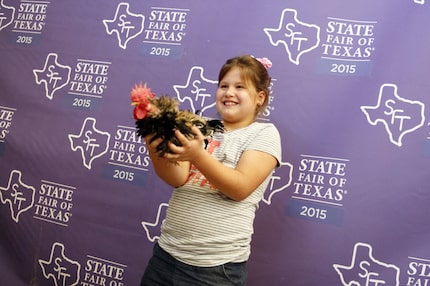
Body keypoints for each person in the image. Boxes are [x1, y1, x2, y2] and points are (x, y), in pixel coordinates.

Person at [140, 55, 282, 286]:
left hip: (216, 269)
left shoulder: (264, 134)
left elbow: (240, 188)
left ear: (260, 97)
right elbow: (176, 178)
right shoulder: (198, 125)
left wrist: (198, 155)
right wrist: (154, 143)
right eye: (223, 86)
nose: (228, 92)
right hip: (166, 255)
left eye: (239, 87)